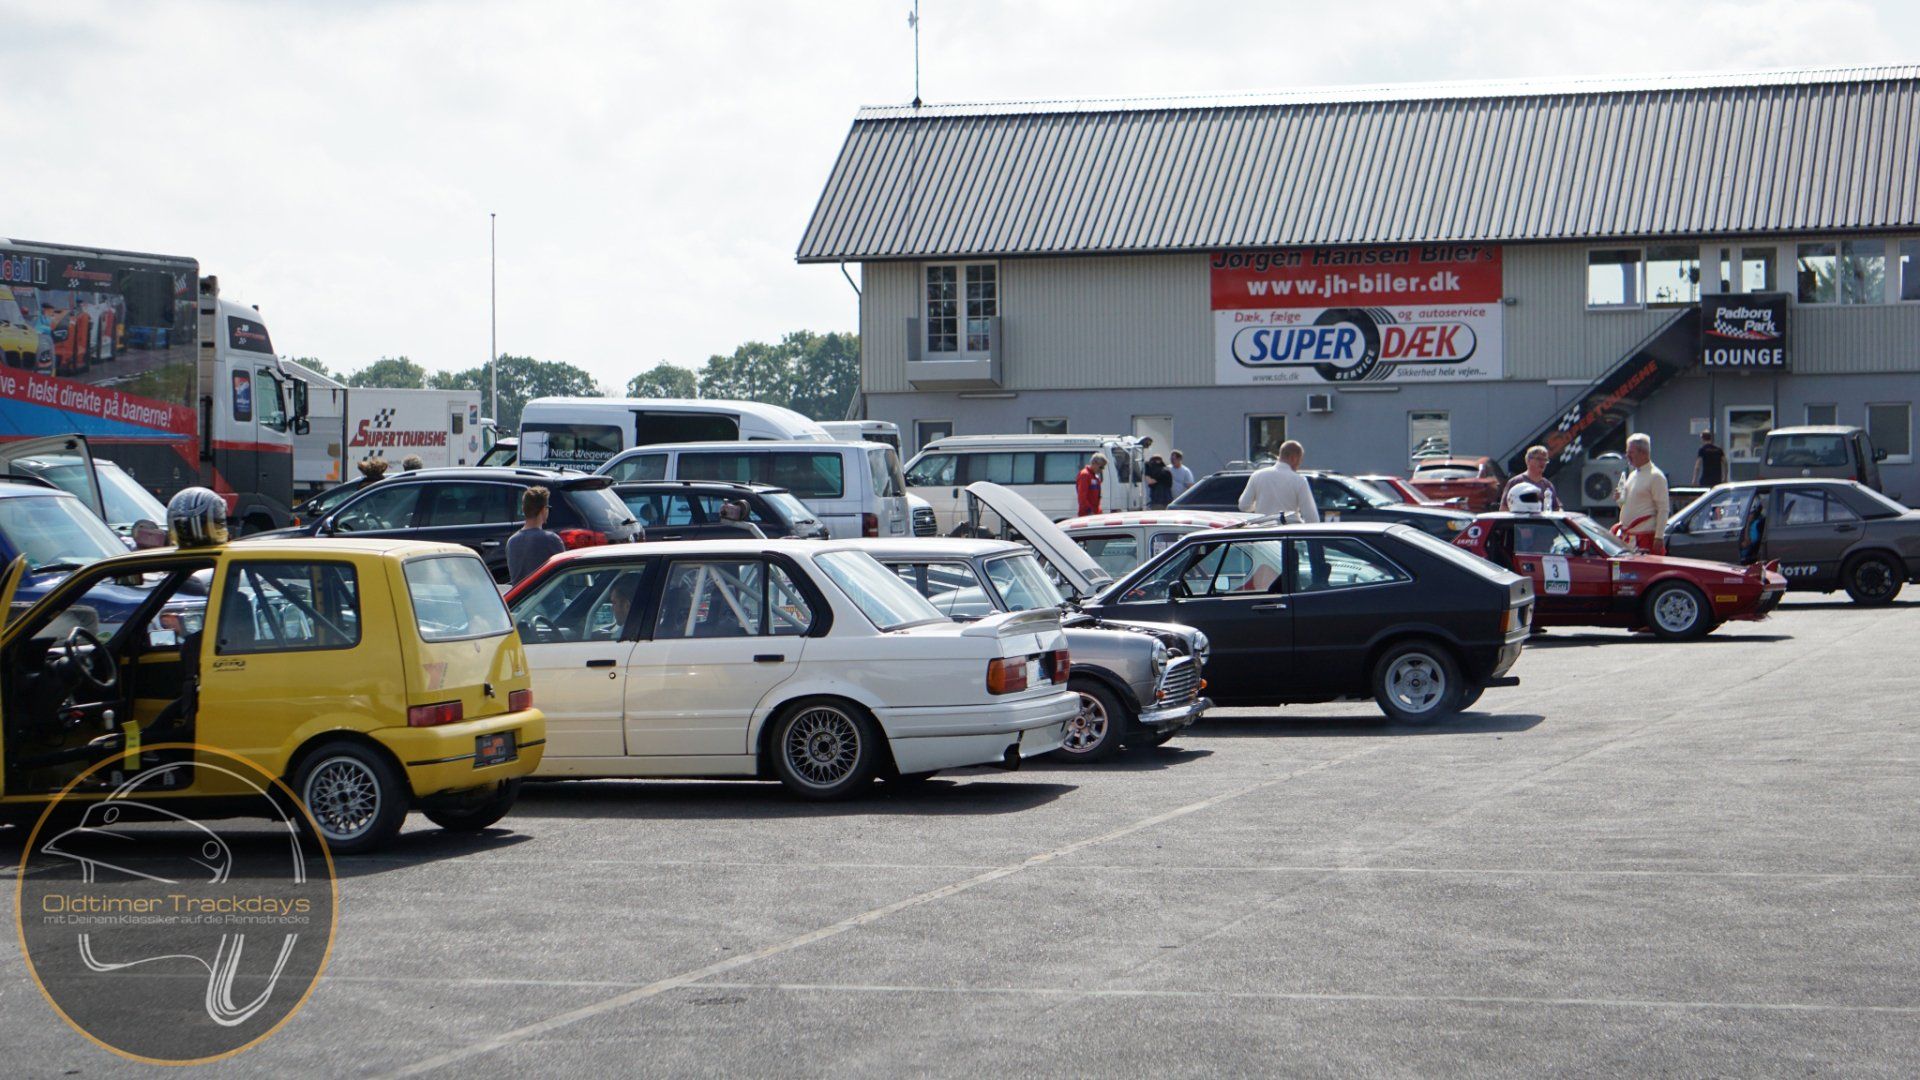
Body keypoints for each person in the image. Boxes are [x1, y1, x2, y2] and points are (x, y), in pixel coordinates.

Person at [1237, 440, 1319, 522]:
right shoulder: (1299, 481)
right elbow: (1312, 517)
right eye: (1300, 460)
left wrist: (1260, 505)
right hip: (1289, 531)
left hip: (1262, 531)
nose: (1299, 464)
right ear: (1293, 458)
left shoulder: (1257, 475)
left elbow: (1243, 506)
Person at [1614, 433, 1670, 554]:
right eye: (1627, 452)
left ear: (1643, 453)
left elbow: (1663, 509)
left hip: (1645, 539)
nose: (1627, 455)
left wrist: (1659, 537)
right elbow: (1628, 506)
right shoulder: (1632, 475)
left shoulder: (1656, 476)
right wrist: (1619, 499)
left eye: (1631, 452)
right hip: (1629, 539)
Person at [506, 485, 567, 586]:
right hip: (551, 599)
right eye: (548, 508)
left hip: (523, 599)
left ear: (524, 509)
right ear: (543, 510)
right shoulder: (551, 539)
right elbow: (564, 575)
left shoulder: (512, 541)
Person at [1502, 446, 1563, 511]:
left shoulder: (1547, 485)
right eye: (1539, 459)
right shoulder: (1515, 482)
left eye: (1545, 460)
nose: (1543, 463)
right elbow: (1504, 508)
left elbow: (1557, 509)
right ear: (1528, 460)